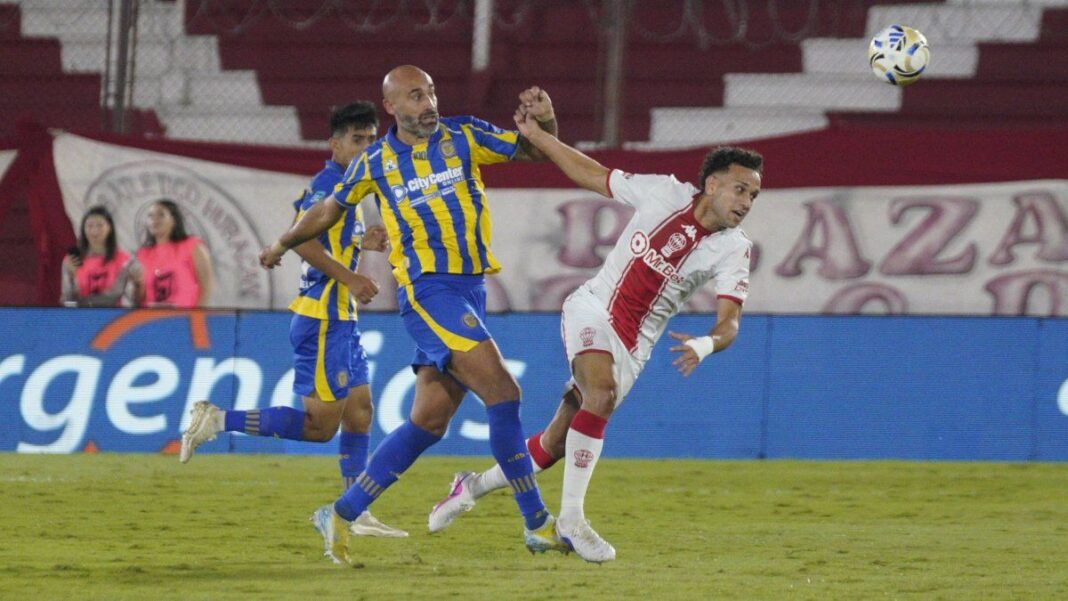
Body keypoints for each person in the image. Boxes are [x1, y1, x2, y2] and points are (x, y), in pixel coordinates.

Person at [426, 107, 763, 563]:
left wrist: (706, 344)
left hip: (634, 346)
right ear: (712, 184)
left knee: (554, 445)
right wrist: (540, 139)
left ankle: (471, 485)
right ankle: (571, 520)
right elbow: (594, 175)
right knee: (598, 395)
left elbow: (730, 322)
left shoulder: (734, 249)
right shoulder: (664, 192)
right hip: (592, 308)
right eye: (740, 189)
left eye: (754, 196)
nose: (745, 202)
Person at [258, 65, 565, 564]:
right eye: (416, 96)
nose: (429, 104)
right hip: (428, 291)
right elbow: (328, 211)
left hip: (469, 289)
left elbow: (535, 149)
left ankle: (340, 512)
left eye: (432, 93)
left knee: (428, 422)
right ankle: (537, 523)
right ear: (393, 107)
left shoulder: (463, 134)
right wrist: (283, 241)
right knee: (504, 394)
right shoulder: (375, 161)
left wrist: (546, 123)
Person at [178, 102, 405, 538]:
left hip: (340, 317)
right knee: (320, 428)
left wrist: (366, 243)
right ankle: (216, 419)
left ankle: (352, 512)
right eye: (357, 140)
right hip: (323, 318)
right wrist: (351, 276)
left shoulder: (352, 188)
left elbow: (300, 234)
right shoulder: (330, 184)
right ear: (334, 144)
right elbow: (305, 242)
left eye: (371, 140)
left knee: (359, 412)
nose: (366, 148)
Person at [135, 199, 214, 308]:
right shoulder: (142, 254)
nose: (154, 220)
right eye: (150, 216)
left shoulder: (193, 246)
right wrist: (137, 285)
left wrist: (196, 317)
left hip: (184, 320)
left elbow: (206, 286)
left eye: (160, 215)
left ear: (174, 220)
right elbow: (139, 298)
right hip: (149, 320)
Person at [61, 205, 142, 307]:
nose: (94, 231)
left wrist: (138, 284)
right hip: (81, 318)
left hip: (115, 319)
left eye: (100, 225)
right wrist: (71, 278)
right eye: (89, 226)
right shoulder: (73, 259)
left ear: (110, 228)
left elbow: (136, 301)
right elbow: (68, 301)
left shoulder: (125, 260)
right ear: (83, 229)